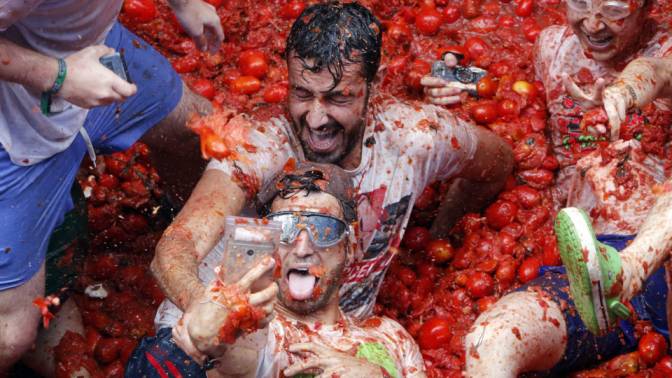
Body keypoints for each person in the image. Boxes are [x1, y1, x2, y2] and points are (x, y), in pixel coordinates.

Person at [151, 0, 513, 364]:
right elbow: (177, 245)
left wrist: (441, 226)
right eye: (302, 94)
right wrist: (206, 308)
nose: (316, 118)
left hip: (341, 339)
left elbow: (498, 163)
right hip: (234, 336)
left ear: (377, 83)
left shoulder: (415, 138)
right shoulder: (259, 148)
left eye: (338, 97)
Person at [423, 0, 672, 375]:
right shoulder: (553, 47)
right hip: (586, 279)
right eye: (580, 4)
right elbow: (503, 84)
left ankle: (630, 270)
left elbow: (663, 72)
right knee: (491, 339)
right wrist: (450, 80)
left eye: (614, 9)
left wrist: (626, 90)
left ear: (647, 7)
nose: (593, 22)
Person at [0, 0, 224, 374]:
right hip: (15, 127)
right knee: (11, 335)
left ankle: (189, 235)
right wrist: (59, 76)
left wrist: (183, 4)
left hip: (93, 50)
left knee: (196, 130)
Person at [128, 164, 427, 378]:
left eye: (323, 229)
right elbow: (235, 351)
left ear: (349, 246)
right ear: (268, 244)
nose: (301, 247)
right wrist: (193, 342)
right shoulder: (259, 330)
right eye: (285, 228)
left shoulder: (392, 339)